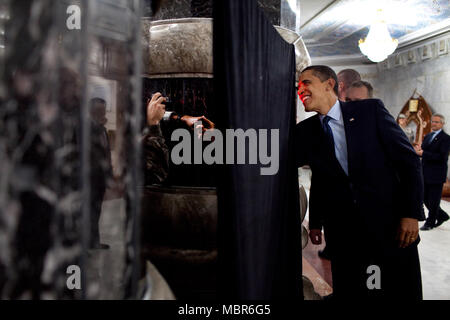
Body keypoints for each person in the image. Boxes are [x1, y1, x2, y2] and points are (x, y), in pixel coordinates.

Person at [295, 65, 424, 299]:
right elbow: (320, 178)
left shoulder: (369, 111)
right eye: (298, 85)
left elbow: (408, 162)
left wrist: (411, 213)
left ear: (329, 85)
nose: (300, 89)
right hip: (344, 234)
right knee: (353, 289)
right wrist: (315, 222)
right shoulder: (306, 131)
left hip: (389, 227)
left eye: (306, 83)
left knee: (395, 289)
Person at [415, 114, 450, 230]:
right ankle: (442, 215)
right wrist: (419, 151)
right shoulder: (428, 136)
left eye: (436, 122)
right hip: (424, 172)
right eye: (433, 121)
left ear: (442, 124)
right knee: (424, 197)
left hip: (436, 174)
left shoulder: (446, 138)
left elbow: (442, 157)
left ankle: (430, 222)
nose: (434, 124)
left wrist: (423, 154)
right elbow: (423, 149)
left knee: (434, 200)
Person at [89, 98, 113, 249]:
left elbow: (106, 153)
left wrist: (109, 174)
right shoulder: (87, 129)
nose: (103, 113)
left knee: (96, 209)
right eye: (100, 110)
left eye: (104, 110)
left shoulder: (102, 129)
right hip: (91, 177)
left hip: (100, 178)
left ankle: (93, 241)